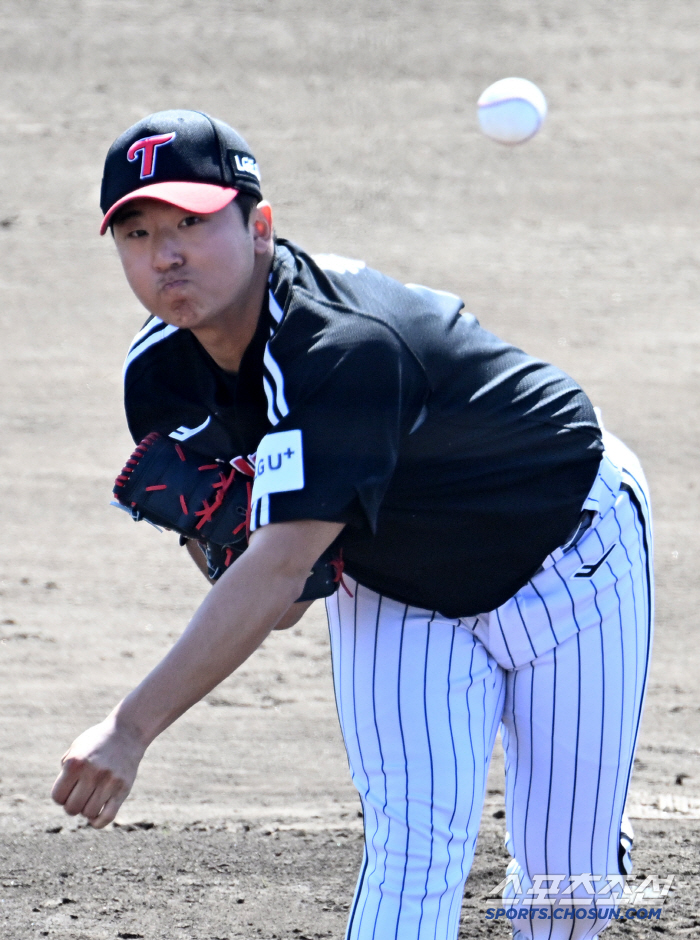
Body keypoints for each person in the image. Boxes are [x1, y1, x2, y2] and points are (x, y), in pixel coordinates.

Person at [52, 110, 653, 940]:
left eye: (193, 222)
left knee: (566, 886)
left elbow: (274, 572)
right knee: (412, 856)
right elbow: (288, 593)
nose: (167, 254)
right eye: (139, 231)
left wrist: (129, 729)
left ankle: (587, 852)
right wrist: (216, 536)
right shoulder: (160, 377)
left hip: (570, 553)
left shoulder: (344, 347)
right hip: (397, 583)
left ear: (259, 226)